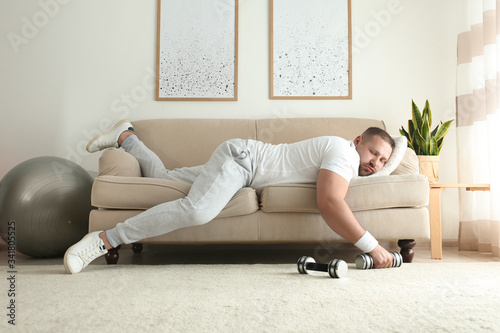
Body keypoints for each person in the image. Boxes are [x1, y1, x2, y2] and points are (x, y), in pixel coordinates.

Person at [64, 119, 395, 274]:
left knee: (162, 179)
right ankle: (106, 239)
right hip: (242, 160)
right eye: (373, 153)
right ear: (357, 141)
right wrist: (372, 245)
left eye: (382, 161)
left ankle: (127, 136)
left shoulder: (351, 164)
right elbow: (330, 203)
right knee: (198, 211)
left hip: (243, 168)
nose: (375, 164)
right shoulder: (344, 153)